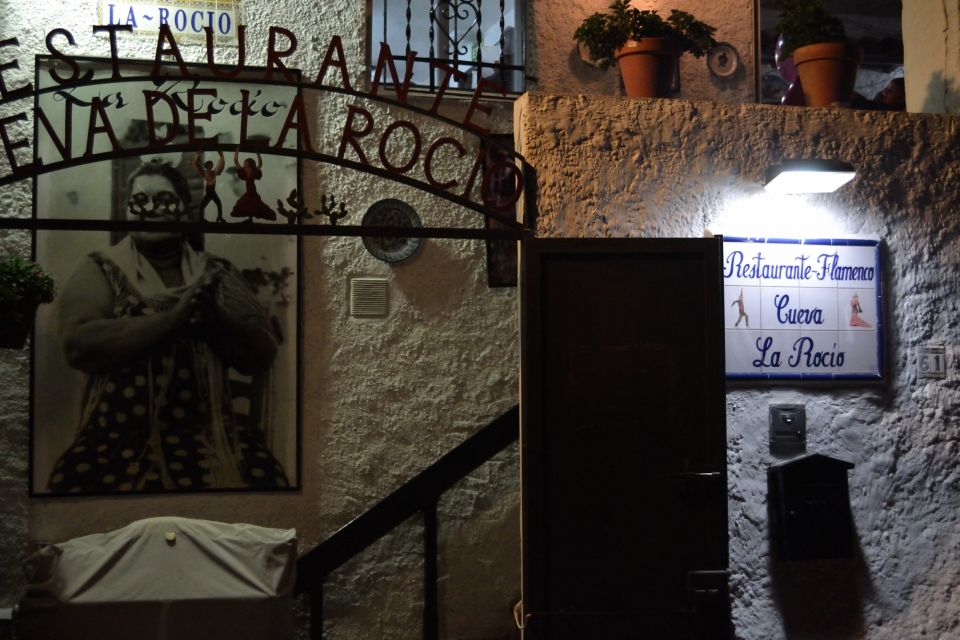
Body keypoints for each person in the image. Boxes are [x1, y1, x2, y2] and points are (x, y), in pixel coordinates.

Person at [48, 159, 288, 494]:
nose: (151, 210)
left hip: (209, 440)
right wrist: (173, 318)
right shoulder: (101, 270)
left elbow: (261, 351)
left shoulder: (216, 273)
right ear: (128, 212)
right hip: (116, 443)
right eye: (140, 201)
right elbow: (78, 345)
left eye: (164, 201)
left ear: (186, 213)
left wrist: (215, 318)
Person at [230, 150, 276, 222]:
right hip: (249, 192)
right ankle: (250, 219)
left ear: (250, 165)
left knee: (253, 205)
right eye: (244, 165)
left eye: (246, 164)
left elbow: (260, 164)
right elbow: (236, 161)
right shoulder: (244, 171)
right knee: (248, 205)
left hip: (252, 191)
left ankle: (250, 219)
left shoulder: (254, 171)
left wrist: (258, 153)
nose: (244, 165)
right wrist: (237, 151)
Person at [192, 149, 226, 222]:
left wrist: (221, 155)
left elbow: (220, 165)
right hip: (209, 190)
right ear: (207, 166)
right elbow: (197, 165)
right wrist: (197, 155)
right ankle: (202, 218)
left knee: (218, 204)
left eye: (211, 165)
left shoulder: (214, 172)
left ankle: (219, 217)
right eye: (209, 165)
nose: (210, 166)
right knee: (203, 205)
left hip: (212, 190)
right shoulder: (205, 172)